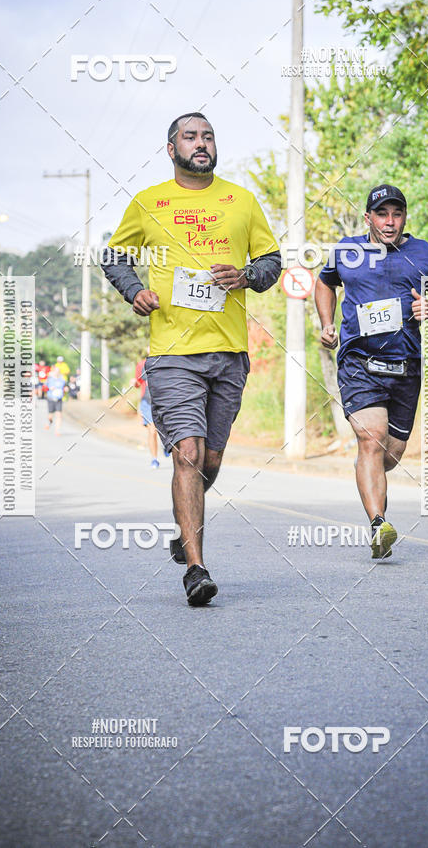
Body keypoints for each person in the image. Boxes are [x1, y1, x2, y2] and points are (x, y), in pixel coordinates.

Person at [103, 112, 281, 605]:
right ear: (171, 148)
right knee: (188, 453)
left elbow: (271, 263)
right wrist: (135, 290)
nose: (201, 143)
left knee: (212, 459)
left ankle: (185, 532)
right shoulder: (150, 201)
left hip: (228, 351)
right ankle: (196, 569)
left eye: (207, 136)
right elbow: (114, 256)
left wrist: (245, 276)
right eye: (190, 136)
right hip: (172, 352)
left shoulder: (241, 200)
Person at [315, 184, 428, 560]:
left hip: (406, 365)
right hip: (359, 361)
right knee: (371, 438)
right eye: (382, 214)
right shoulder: (348, 250)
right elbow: (325, 282)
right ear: (368, 218)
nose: (390, 222)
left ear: (405, 216)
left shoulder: (424, 253)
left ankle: (370, 473)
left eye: (396, 214)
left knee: (389, 453)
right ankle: (379, 524)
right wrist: (327, 323)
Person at [130, 355, 160, 469]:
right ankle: (154, 459)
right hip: (147, 402)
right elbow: (138, 383)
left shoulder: (164, 362)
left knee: (163, 429)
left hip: (163, 401)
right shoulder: (141, 364)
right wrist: (134, 383)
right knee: (152, 431)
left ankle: (166, 445)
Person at [44, 365, 67, 435]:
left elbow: (65, 387)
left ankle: (57, 431)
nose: (57, 373)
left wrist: (66, 389)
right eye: (55, 371)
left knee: (59, 415)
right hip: (51, 399)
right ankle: (50, 421)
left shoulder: (62, 380)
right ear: (53, 372)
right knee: (50, 416)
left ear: (59, 372)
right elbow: (44, 388)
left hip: (59, 399)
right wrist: (49, 388)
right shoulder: (50, 379)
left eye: (58, 371)